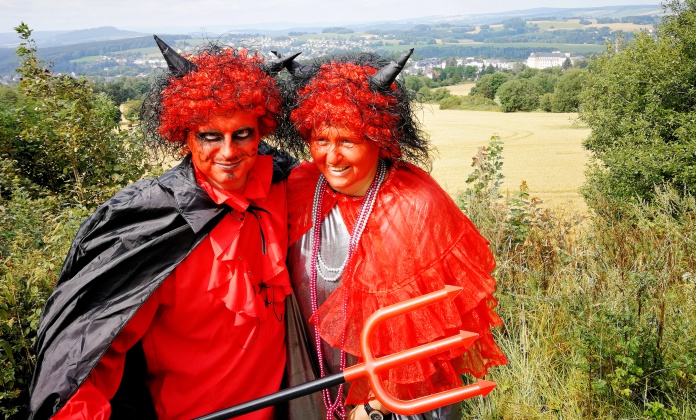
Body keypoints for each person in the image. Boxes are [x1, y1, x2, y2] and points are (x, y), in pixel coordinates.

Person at [28, 36, 299, 419]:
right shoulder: (152, 224)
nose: (228, 152)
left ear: (261, 133)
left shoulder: (283, 185)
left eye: (242, 134)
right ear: (185, 135)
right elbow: (89, 351)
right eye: (210, 136)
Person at [282, 51, 508, 419]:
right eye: (321, 139)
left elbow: (433, 331)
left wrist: (374, 404)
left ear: (379, 139)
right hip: (317, 388)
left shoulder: (417, 206)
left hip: (401, 405)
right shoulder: (301, 188)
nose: (333, 157)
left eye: (349, 141)